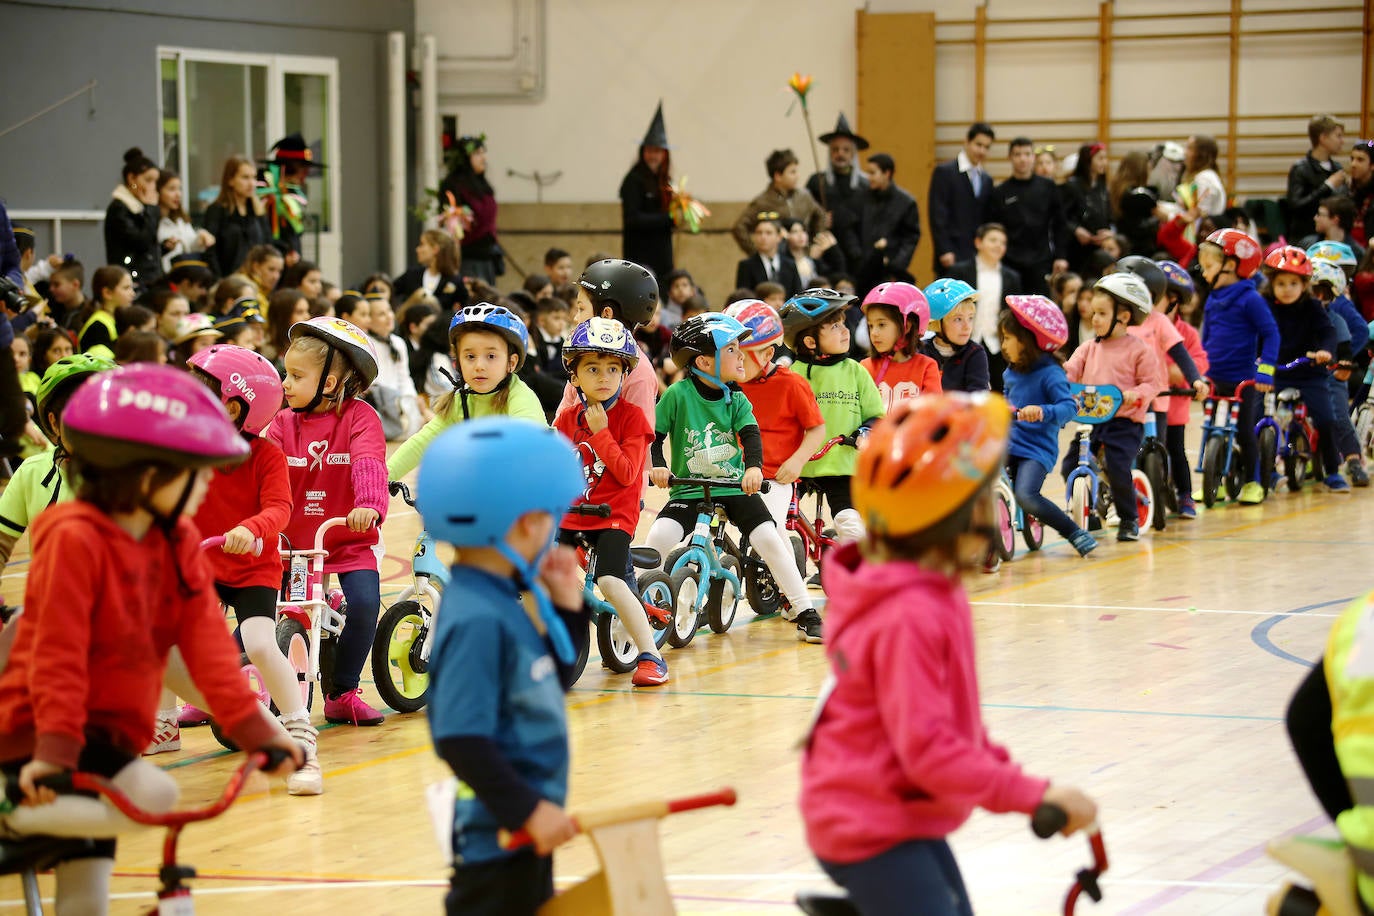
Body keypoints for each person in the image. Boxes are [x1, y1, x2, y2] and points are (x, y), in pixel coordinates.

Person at [0, 364, 302, 916]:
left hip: (105, 742)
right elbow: (57, 658)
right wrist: (53, 756)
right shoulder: (74, 538)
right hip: (38, 744)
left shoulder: (177, 539)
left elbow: (209, 650)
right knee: (146, 799)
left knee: (95, 881)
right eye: (195, 469)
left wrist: (262, 732)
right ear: (143, 473)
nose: (210, 480)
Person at [800, 392, 1098, 916]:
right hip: (867, 821)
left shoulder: (933, 590)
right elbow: (931, 751)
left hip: (899, 811)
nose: (995, 506)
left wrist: (1028, 787)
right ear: (951, 513)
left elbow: (957, 730)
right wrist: (1030, 793)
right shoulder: (908, 613)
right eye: (985, 496)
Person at [414, 417, 586, 916]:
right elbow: (459, 737)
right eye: (551, 516)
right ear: (526, 522)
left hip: (523, 829)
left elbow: (550, 677)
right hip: (499, 843)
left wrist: (569, 608)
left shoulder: (495, 600)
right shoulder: (476, 618)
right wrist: (528, 811)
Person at [181, 345, 321, 793]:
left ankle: (301, 736)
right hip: (202, 564)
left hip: (251, 570)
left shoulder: (265, 456)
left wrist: (251, 528)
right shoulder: (186, 450)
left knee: (261, 643)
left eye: (201, 391)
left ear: (234, 406)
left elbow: (280, 507)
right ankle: (164, 726)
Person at [646, 312, 827, 642]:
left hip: (733, 487)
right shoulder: (677, 395)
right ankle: (634, 603)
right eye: (731, 349)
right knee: (658, 535)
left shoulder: (738, 399)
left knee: (769, 540)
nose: (741, 354)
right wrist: (658, 464)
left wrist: (753, 468)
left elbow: (751, 436)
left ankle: (805, 611)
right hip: (689, 491)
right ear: (704, 360)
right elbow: (654, 436)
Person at [265, 317, 390, 726]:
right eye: (286, 373)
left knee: (366, 603)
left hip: (348, 535)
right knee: (283, 610)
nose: (285, 383)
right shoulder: (283, 423)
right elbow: (265, 472)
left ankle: (343, 691)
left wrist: (369, 503)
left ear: (331, 383)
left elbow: (369, 461)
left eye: (296, 376)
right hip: (301, 543)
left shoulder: (359, 417)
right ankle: (238, 682)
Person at [552, 318, 666, 686]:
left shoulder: (633, 417)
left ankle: (652, 655)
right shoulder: (568, 418)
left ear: (624, 374)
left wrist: (602, 434)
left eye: (613, 368)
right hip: (573, 513)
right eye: (593, 368)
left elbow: (628, 471)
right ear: (575, 376)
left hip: (614, 514)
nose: (604, 376)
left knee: (612, 581)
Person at [1060, 273, 1166, 541]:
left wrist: (1135, 394)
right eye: (1094, 313)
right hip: (1092, 420)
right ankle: (1089, 511)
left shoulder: (1139, 350)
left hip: (1124, 422)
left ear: (1124, 317)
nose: (1094, 319)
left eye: (1101, 313)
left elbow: (1152, 383)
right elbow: (1070, 371)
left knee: (1118, 467)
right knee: (1070, 464)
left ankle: (1129, 518)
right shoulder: (1088, 348)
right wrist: (1058, 381)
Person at [389, 304, 546, 481]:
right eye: (470, 356)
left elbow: (530, 441)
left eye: (491, 356)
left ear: (512, 362)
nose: (479, 366)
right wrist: (382, 477)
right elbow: (420, 444)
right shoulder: (460, 400)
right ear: (457, 361)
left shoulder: (520, 396)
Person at [780, 289, 884, 550]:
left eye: (843, 323)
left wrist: (865, 432)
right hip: (800, 467)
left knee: (847, 519)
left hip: (842, 465)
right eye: (835, 326)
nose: (845, 330)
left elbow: (876, 415)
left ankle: (862, 568)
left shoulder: (855, 371)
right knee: (775, 516)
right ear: (811, 342)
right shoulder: (793, 375)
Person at [999, 296, 1097, 556]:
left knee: (1027, 495)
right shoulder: (1011, 372)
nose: (1003, 345)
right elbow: (1008, 404)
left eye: (1008, 338)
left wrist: (1041, 411)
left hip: (1036, 450)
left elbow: (1069, 408)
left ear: (1027, 340)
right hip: (1009, 442)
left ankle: (1074, 532)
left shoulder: (1051, 374)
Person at [732, 300, 827, 539]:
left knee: (768, 533)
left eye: (742, 355)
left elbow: (816, 429)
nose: (736, 362)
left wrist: (797, 462)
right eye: (730, 353)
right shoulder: (729, 384)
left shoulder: (792, 384)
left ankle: (789, 576)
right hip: (733, 475)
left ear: (768, 353)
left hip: (775, 478)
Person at [1199, 228, 1280, 503]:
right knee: (1211, 429)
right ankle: (1215, 482)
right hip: (1213, 377)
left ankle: (1253, 482)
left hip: (1242, 380)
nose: (1204, 272)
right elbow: (1205, 337)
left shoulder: (1250, 299)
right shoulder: (1212, 298)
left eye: (1209, 266)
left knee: (1244, 432)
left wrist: (1265, 370)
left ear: (1231, 266)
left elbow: (1271, 334)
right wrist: (1198, 369)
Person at [1260, 246, 1347, 491]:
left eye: (1293, 283)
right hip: (1275, 370)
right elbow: (1255, 332)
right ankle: (1263, 469)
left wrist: (1325, 351)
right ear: (1271, 283)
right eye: (1281, 283)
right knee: (1257, 417)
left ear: (1304, 284)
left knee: (1326, 419)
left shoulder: (1312, 306)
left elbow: (1327, 332)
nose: (1287, 289)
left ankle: (1332, 471)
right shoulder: (1264, 304)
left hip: (1309, 371)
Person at [1155, 260, 1211, 516]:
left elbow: (1199, 360)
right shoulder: (1137, 327)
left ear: (1174, 301)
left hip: (1175, 402)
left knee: (1176, 449)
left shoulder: (1186, 332)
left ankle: (1185, 494)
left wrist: (1182, 374)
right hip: (1145, 403)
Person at [988, 137, 1069, 297]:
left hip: (1040, 260)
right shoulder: (1000, 191)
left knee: (1039, 309)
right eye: (1017, 154)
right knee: (1010, 308)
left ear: (1033, 157)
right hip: (1009, 261)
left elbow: (1060, 224)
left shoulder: (1048, 187)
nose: (1022, 159)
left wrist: (1061, 256)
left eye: (1027, 154)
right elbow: (992, 228)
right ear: (1010, 157)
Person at [946, 224, 1023, 390]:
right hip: (964, 342)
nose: (998, 246)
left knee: (998, 393)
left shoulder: (1012, 277)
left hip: (997, 345)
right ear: (978, 242)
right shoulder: (959, 272)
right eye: (993, 240)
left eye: (1003, 243)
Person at [859, 281, 941, 409]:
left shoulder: (927, 367)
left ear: (906, 326)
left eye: (881, 324)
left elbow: (932, 415)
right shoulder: (865, 367)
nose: (874, 333)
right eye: (870, 326)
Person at [927, 122, 995, 273]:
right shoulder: (944, 172)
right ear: (967, 142)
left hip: (977, 255)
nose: (982, 150)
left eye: (987, 147)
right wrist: (944, 249)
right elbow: (937, 215)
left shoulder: (986, 179)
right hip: (951, 253)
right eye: (978, 145)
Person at [807, 113, 871, 272]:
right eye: (835, 149)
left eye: (845, 150)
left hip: (857, 256)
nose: (840, 154)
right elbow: (806, 218)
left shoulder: (866, 185)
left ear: (853, 153)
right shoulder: (817, 182)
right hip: (827, 256)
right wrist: (820, 222)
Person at [619, 102, 675, 282]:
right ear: (643, 152)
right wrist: (668, 218)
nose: (653, 156)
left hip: (662, 256)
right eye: (650, 150)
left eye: (658, 151)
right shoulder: (634, 180)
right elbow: (632, 217)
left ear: (664, 154)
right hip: (640, 256)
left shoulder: (665, 180)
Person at [732, 150, 825, 255]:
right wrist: (756, 254)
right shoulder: (763, 201)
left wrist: (816, 242)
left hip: (802, 256)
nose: (797, 176)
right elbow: (739, 227)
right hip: (779, 259)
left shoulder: (804, 196)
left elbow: (820, 216)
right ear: (778, 176)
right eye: (792, 172)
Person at [440, 134, 502, 284]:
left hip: (487, 255)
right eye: (477, 154)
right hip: (468, 256)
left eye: (483, 153)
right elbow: (452, 223)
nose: (483, 158)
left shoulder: (483, 185)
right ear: (464, 158)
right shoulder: (453, 184)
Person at [856, 154, 921, 294]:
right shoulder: (862, 198)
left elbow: (911, 238)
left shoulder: (906, 202)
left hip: (891, 273)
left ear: (887, 173)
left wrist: (895, 264)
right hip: (863, 271)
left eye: (873, 173)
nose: (869, 177)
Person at [258, 133, 325, 265]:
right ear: (288, 168)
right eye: (303, 170)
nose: (305, 177)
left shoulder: (294, 195)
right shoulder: (263, 191)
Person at [365, 296, 424, 440]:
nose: (389, 316)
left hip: (398, 402)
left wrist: (412, 398)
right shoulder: (366, 343)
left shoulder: (398, 343)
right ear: (369, 320)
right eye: (381, 314)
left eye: (389, 311)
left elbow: (404, 377)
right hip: (378, 401)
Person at [202, 155, 269, 280]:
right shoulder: (217, 210)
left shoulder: (257, 211)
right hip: (228, 281)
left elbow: (267, 245)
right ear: (230, 180)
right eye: (245, 177)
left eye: (254, 177)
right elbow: (210, 252)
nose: (251, 183)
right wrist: (218, 280)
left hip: (257, 281)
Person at [104, 148, 162, 291]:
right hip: (132, 281)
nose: (152, 187)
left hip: (148, 279)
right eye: (148, 180)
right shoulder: (120, 207)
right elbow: (140, 241)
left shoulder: (141, 207)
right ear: (132, 179)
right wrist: (151, 209)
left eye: (155, 182)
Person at [1287, 114, 1349, 243]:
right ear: (1323, 138)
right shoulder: (1301, 168)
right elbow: (1296, 206)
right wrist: (1327, 186)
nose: (1342, 141)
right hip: (1305, 239)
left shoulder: (1337, 168)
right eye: (1338, 136)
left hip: (1335, 240)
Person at [921, 278, 990, 392]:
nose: (967, 326)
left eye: (970, 318)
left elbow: (978, 398)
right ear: (937, 322)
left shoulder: (975, 353)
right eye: (958, 319)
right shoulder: (921, 351)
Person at [1061, 143, 1114, 276]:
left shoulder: (1103, 187)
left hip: (1099, 246)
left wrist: (1109, 232)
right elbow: (1060, 217)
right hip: (1077, 248)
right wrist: (1076, 230)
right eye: (1100, 158)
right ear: (1088, 160)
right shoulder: (1072, 186)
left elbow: (1111, 217)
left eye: (1105, 158)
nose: (1104, 162)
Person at [155, 170, 213, 275]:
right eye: (171, 189)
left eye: (179, 189)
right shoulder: (154, 221)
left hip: (186, 276)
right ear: (158, 191)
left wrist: (201, 237)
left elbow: (190, 245)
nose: (178, 194)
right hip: (165, 277)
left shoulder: (180, 219)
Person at [393, 229, 467, 312]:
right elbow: (391, 290)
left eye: (422, 244)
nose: (417, 249)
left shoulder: (455, 280)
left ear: (435, 249)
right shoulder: (411, 274)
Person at [736, 215, 802, 298]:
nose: (763, 237)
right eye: (759, 233)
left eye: (768, 233)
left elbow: (797, 294)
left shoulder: (790, 264)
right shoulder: (746, 266)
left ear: (779, 237)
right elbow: (743, 298)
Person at [75, 266, 133, 356]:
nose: (132, 293)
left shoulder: (115, 319)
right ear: (107, 293)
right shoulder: (98, 327)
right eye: (126, 288)